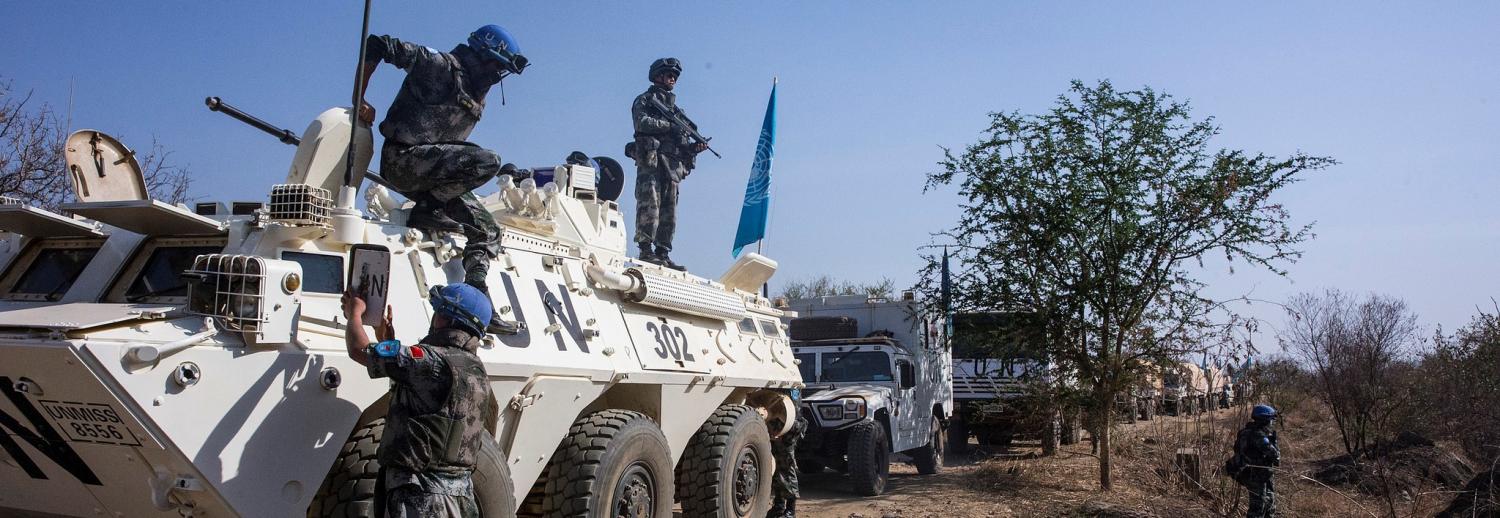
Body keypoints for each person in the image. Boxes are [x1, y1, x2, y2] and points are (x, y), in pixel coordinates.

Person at [356, 24, 528, 334]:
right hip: (403, 161)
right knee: (488, 161)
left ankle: (476, 297)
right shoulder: (439, 66)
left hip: (434, 176)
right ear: (480, 57)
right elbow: (379, 44)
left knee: (487, 230)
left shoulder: (475, 92)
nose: (495, 76)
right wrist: (360, 99)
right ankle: (428, 209)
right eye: (495, 67)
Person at [342, 283, 494, 518]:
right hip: (459, 496)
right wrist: (386, 339)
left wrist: (354, 313)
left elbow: (359, 350)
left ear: (444, 319)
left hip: (422, 496)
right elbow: (419, 389)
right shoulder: (475, 369)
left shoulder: (432, 361)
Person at [630, 57, 710, 271]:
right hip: (652, 161)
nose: (672, 78)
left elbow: (682, 144)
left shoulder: (677, 111)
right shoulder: (645, 101)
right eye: (668, 74)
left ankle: (663, 252)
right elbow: (642, 122)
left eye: (674, 75)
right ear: (657, 76)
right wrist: (669, 126)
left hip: (671, 166)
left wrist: (694, 148)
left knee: (669, 212)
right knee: (650, 206)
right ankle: (646, 250)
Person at [1231, 404, 1281, 518]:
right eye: (1270, 421)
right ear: (1264, 421)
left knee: (1268, 502)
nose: (1271, 424)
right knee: (1259, 508)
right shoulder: (1258, 436)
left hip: (1250, 473)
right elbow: (1275, 455)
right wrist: (1274, 443)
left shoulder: (1245, 432)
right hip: (1257, 475)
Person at [767, 390, 808, 518]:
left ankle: (791, 509)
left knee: (787, 468)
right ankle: (778, 506)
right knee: (776, 470)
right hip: (774, 428)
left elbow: (792, 412)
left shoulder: (792, 387)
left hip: (787, 430)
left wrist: (782, 432)